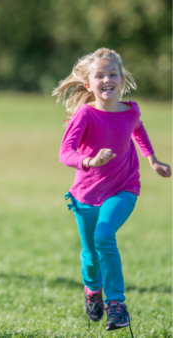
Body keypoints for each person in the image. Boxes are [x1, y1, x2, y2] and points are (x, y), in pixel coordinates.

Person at [54, 47, 171, 333]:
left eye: (112, 74)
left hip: (124, 187)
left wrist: (152, 159)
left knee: (104, 235)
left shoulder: (130, 110)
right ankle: (92, 290)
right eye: (99, 75)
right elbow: (65, 152)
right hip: (86, 194)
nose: (107, 79)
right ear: (88, 84)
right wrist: (90, 161)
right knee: (91, 255)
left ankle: (116, 304)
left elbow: (137, 128)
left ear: (121, 79)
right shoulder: (86, 114)